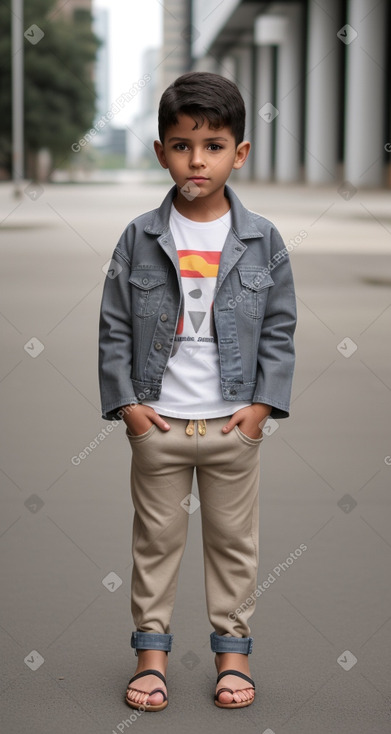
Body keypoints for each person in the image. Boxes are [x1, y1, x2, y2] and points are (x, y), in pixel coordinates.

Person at [98, 71, 296, 712]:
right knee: (154, 543)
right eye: (182, 145)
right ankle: (150, 659)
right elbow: (114, 324)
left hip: (230, 425)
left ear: (239, 153)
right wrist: (128, 405)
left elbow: (279, 328)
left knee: (235, 545)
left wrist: (261, 408)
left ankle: (231, 657)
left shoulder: (262, 239)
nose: (196, 160)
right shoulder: (140, 236)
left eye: (213, 145)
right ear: (161, 151)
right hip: (159, 422)